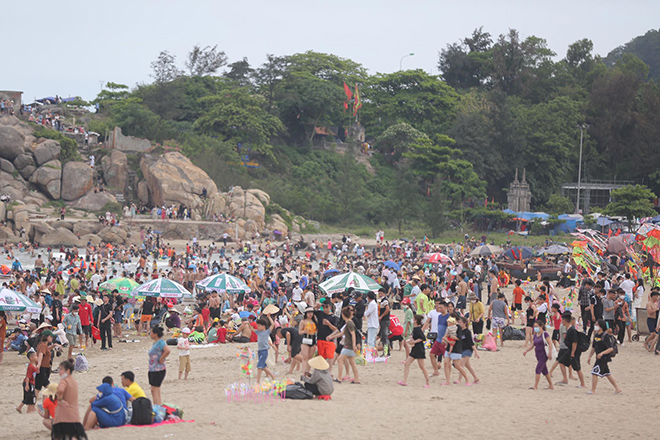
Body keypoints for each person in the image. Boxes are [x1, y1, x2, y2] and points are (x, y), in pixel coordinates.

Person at [51, 359, 88, 440]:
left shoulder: (64, 381)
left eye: (61, 369)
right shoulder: (74, 381)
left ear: (67, 370)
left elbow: (60, 390)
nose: (59, 371)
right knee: (74, 436)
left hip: (63, 415)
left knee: (60, 436)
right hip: (74, 415)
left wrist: (60, 400)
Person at [587, 319, 622, 394]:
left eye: (597, 324)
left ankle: (593, 390)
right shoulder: (596, 335)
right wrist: (590, 356)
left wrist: (602, 353)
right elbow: (593, 347)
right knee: (607, 373)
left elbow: (610, 348)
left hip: (603, 358)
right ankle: (617, 388)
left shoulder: (605, 336)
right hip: (598, 357)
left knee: (594, 372)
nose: (595, 326)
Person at [329, 306, 360, 384]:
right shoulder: (348, 322)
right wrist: (332, 336)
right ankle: (356, 379)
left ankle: (339, 378)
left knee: (340, 359)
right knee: (352, 362)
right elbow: (342, 333)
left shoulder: (349, 323)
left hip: (348, 345)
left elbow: (353, 334)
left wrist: (353, 345)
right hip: (349, 345)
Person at [398, 314, 430, 388]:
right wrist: (411, 340)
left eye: (414, 319)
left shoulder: (418, 329)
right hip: (415, 349)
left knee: (422, 367)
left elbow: (422, 338)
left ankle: (428, 383)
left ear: (415, 321)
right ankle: (404, 381)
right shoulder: (415, 328)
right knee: (407, 364)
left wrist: (413, 342)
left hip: (419, 349)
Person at [523, 320, 554, 390]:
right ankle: (551, 385)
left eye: (537, 327)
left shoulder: (545, 334)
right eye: (534, 327)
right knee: (544, 371)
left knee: (538, 369)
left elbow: (550, 343)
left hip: (544, 354)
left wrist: (550, 353)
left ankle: (535, 386)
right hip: (538, 354)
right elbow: (533, 345)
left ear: (541, 326)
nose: (535, 328)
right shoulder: (535, 335)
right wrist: (526, 351)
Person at [148, 326, 170, 405]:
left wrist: (161, 359)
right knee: (156, 390)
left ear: (155, 334)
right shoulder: (156, 343)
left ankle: (157, 407)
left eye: (151, 333)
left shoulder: (161, 342)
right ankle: (158, 406)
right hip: (153, 369)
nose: (150, 334)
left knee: (154, 390)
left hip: (158, 369)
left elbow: (167, 350)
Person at [458, 316, 480, 384]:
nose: (459, 323)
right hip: (462, 350)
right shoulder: (459, 331)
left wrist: (476, 351)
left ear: (464, 323)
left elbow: (471, 342)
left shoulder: (467, 332)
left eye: (460, 322)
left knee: (461, 365)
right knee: (468, 366)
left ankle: (459, 379)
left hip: (468, 350)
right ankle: (476, 378)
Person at [255, 315, 276, 382]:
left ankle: (257, 381)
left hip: (264, 351)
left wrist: (269, 317)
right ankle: (273, 376)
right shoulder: (258, 332)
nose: (257, 327)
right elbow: (252, 329)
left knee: (259, 366)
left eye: (259, 326)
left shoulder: (267, 332)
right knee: (263, 366)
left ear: (263, 326)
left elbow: (273, 324)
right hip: (259, 351)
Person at [35, 330, 56, 400]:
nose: (52, 338)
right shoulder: (43, 345)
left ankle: (31, 405)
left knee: (38, 388)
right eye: (50, 336)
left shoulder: (43, 345)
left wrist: (52, 346)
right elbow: (41, 354)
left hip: (44, 368)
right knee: (48, 386)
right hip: (42, 368)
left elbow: (45, 350)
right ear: (46, 337)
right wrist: (39, 364)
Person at [299, 308, 317, 374]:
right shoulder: (303, 321)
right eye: (308, 312)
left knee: (310, 356)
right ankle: (303, 371)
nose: (310, 314)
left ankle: (308, 371)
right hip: (306, 337)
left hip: (313, 338)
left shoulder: (314, 321)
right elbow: (299, 331)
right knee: (305, 356)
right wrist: (304, 331)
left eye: (311, 312)